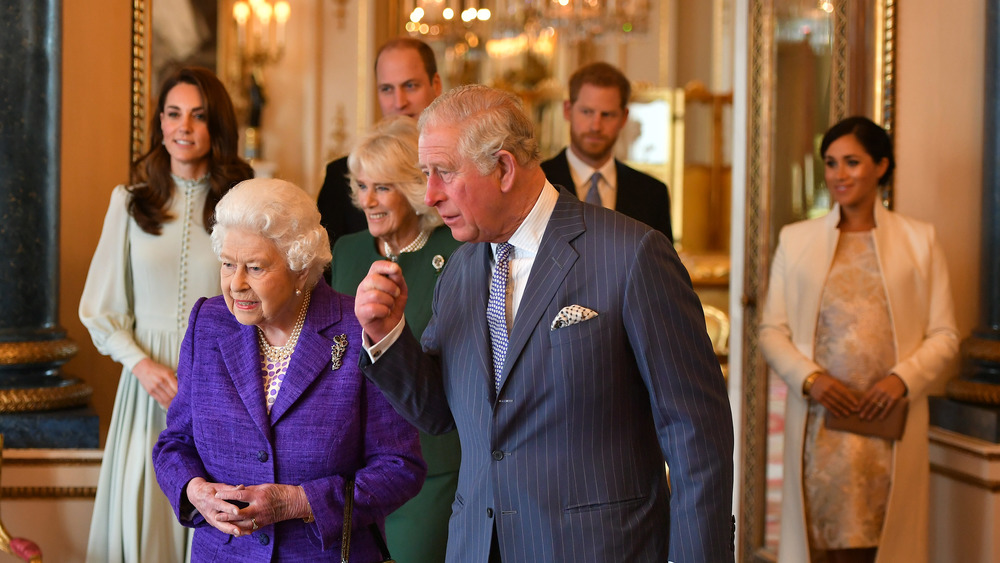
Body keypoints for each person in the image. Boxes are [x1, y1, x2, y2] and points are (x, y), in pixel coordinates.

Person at [355, 84, 734, 562]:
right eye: (426, 174)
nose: (430, 195)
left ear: (504, 167)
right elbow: (438, 413)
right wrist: (388, 334)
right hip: (477, 547)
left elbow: (697, 436)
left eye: (444, 173)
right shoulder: (461, 268)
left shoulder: (631, 255)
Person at [152, 178, 426, 561]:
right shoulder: (208, 323)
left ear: (300, 269)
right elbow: (175, 443)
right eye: (228, 265)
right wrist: (193, 489)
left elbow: (401, 468)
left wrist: (300, 501)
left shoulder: (357, 326)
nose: (236, 284)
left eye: (256, 268)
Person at [759, 116, 960, 563]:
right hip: (820, 426)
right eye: (831, 163)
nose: (839, 175)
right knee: (821, 544)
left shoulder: (919, 240)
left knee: (885, 544)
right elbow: (772, 330)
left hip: (889, 425)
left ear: (881, 166)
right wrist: (812, 380)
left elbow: (945, 334)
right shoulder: (797, 240)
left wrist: (901, 380)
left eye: (852, 162)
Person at [79, 66, 254, 563]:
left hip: (222, 383)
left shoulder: (240, 206)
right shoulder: (131, 202)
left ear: (216, 126)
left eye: (199, 116)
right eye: (173, 114)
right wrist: (141, 365)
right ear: (159, 123)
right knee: (145, 509)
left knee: (213, 506)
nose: (184, 126)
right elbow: (100, 306)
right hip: (145, 385)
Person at [329, 115, 462, 563]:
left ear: (412, 186)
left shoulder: (458, 253)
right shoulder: (345, 252)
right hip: (352, 469)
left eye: (382, 187)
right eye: (362, 186)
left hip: (432, 465)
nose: (367, 200)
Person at [317, 37, 443, 251]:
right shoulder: (341, 175)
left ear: (436, 85)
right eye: (386, 89)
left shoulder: (460, 170)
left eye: (410, 86)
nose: (399, 102)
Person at [541, 61, 673, 242]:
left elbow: (660, 268)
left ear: (624, 118)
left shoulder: (653, 193)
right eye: (587, 112)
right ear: (567, 111)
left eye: (607, 115)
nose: (596, 126)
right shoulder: (538, 182)